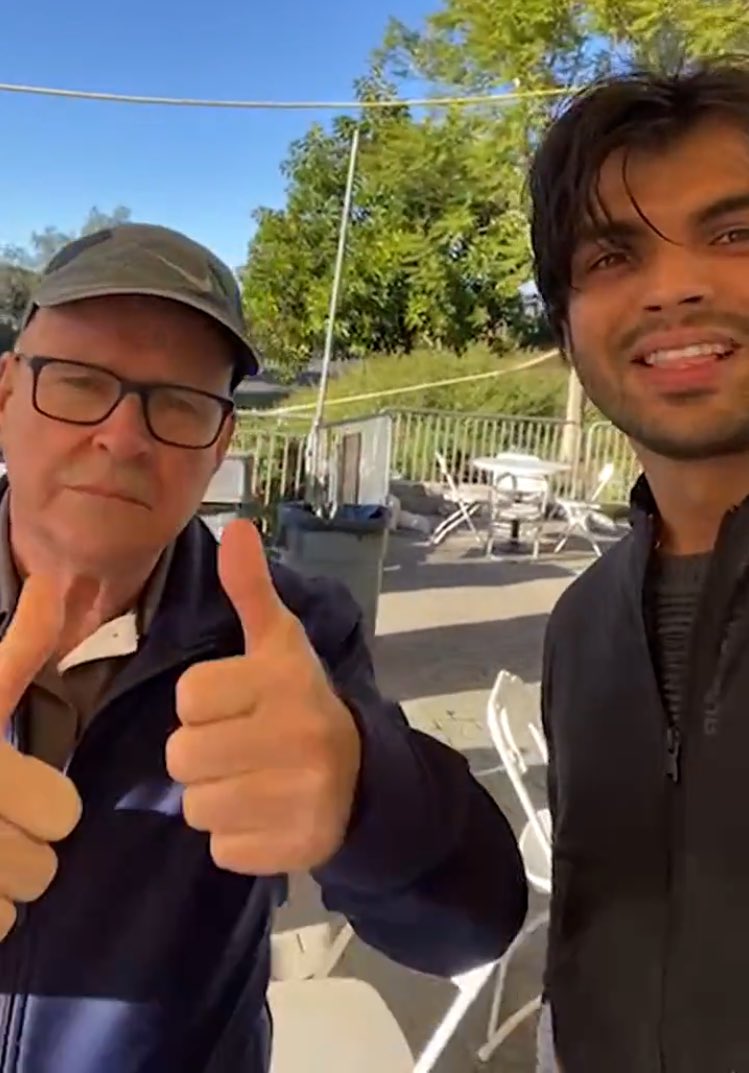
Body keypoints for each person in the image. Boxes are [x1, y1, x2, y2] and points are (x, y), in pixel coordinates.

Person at [0, 223, 527, 1072]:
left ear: (217, 448)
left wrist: (363, 789)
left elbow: (465, 928)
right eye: (78, 381)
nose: (124, 436)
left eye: (178, 402)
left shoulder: (290, 631)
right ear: (4, 395)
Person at [528, 58, 749, 1072]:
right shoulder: (581, 626)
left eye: (733, 233)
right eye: (609, 257)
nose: (673, 286)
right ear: (566, 328)